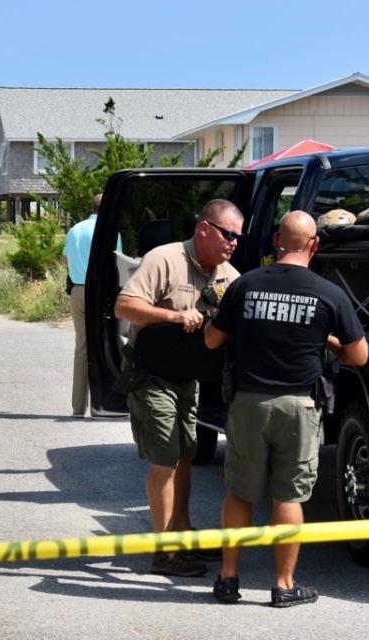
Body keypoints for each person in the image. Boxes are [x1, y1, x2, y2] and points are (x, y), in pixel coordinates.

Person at [204, 210, 367, 607]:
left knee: (240, 492)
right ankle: (283, 584)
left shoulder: (244, 284)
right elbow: (359, 356)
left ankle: (228, 579)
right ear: (314, 245)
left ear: (277, 239)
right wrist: (327, 340)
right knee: (288, 496)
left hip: (247, 403)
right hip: (298, 405)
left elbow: (211, 341)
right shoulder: (328, 292)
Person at [114, 198, 243, 577]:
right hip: (151, 376)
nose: (234, 242)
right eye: (228, 234)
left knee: (185, 457)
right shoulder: (164, 258)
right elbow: (124, 305)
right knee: (166, 462)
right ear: (204, 228)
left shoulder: (227, 275)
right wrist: (174, 315)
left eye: (238, 236)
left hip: (188, 379)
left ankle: (182, 534)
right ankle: (165, 551)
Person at [62, 194, 102, 417]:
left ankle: (78, 406)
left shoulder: (75, 229)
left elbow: (65, 259)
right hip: (99, 292)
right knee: (101, 346)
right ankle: (101, 404)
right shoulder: (109, 230)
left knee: (82, 346)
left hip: (77, 289)